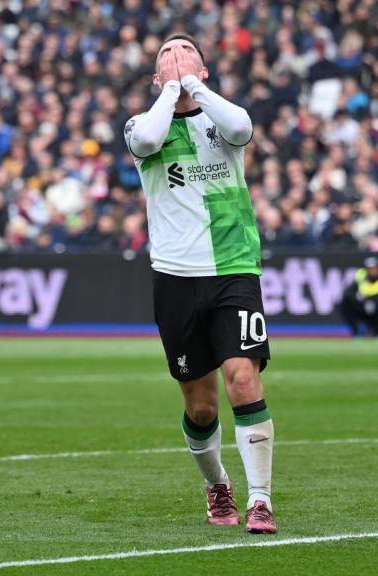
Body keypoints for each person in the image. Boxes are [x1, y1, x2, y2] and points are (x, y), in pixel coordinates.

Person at [125, 33, 276, 533]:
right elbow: (147, 141)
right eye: (164, 55)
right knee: (200, 401)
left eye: (186, 52)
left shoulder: (220, 115)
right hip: (176, 277)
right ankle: (217, 486)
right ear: (154, 76)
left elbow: (242, 128)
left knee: (242, 378)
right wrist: (170, 92)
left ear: (204, 70)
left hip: (234, 267)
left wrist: (195, 89)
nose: (175, 57)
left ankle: (260, 499)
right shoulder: (142, 125)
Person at [339, 256, 378, 336]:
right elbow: (349, 292)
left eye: (374, 268)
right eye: (370, 269)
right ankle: (357, 330)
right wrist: (358, 299)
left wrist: (369, 298)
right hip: (367, 304)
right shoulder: (362, 275)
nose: (372, 271)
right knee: (345, 303)